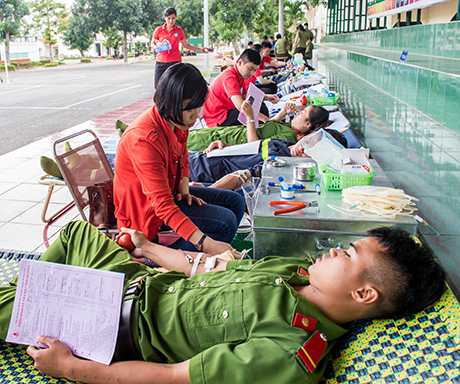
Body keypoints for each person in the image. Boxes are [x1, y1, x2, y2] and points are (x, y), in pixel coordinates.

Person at [0, 220, 446, 383]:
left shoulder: (291, 351)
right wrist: (147, 247)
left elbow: (172, 376)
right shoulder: (290, 272)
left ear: (364, 294)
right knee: (78, 232)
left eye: (347, 254)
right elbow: (200, 268)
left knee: (10, 302)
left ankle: (28, 304)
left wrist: (70, 368)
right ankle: (36, 294)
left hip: (116, 327)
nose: (333, 249)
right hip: (136, 282)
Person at [113, 62, 245, 254]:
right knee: (224, 223)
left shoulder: (176, 120)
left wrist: (184, 185)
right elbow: (162, 205)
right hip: (145, 212)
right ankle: (160, 258)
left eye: (198, 108)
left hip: (170, 191)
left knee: (236, 202)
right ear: (169, 103)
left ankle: (206, 256)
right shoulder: (144, 141)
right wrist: (208, 243)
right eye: (190, 110)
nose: (196, 116)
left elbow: (182, 154)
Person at [188, 127, 347, 185]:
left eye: (311, 153)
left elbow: (243, 175)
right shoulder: (284, 144)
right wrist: (226, 146)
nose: (302, 148)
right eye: (308, 142)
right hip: (208, 156)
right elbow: (252, 151)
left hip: (206, 171)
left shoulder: (281, 165)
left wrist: (208, 191)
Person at [188, 103, 330, 151]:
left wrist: (250, 118)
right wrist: (282, 113)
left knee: (190, 142)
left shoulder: (290, 137)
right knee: (194, 134)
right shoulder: (291, 127)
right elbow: (271, 127)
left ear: (307, 125)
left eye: (302, 113)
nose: (298, 113)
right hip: (232, 132)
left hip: (232, 141)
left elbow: (255, 146)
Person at [202, 49, 279, 128]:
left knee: (260, 107)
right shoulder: (229, 77)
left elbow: (246, 97)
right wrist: (265, 119)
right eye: (250, 69)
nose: (252, 73)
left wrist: (266, 97)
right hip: (219, 118)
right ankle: (263, 130)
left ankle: (264, 128)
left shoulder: (240, 76)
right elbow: (241, 106)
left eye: (254, 70)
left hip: (227, 111)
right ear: (240, 62)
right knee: (254, 114)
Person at [152, 7, 210, 87]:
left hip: (175, 62)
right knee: (158, 86)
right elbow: (153, 43)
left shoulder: (179, 30)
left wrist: (200, 50)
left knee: (175, 87)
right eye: (168, 18)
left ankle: (174, 100)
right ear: (165, 18)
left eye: (173, 18)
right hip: (161, 62)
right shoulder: (159, 30)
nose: (171, 21)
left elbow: (186, 45)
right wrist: (157, 47)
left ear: (176, 17)